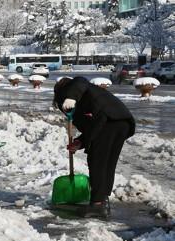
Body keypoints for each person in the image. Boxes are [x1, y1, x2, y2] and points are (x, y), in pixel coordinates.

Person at [53, 76, 135, 218]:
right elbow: (91, 127)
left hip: (108, 121)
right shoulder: (85, 99)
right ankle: (102, 199)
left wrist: (70, 97)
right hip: (121, 122)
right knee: (107, 163)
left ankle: (97, 204)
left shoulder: (74, 89)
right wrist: (79, 142)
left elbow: (80, 80)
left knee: (97, 161)